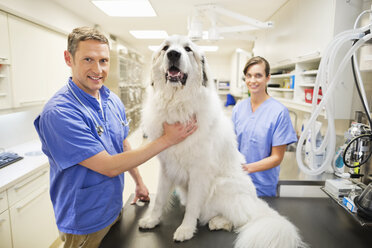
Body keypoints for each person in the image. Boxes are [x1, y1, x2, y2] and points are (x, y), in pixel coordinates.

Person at [34, 26, 197, 248]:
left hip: (113, 208)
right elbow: (108, 166)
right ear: (68, 58)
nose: (98, 69)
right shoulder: (60, 113)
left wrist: (139, 182)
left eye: (103, 60)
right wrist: (166, 139)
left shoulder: (110, 99)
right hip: (84, 222)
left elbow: (121, 143)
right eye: (88, 60)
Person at [232, 56, 297, 197]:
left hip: (262, 189)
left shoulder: (279, 112)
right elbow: (231, 145)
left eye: (258, 76)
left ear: (268, 78)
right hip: (236, 184)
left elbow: (276, 158)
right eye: (248, 76)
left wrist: (246, 168)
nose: (252, 81)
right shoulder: (239, 108)